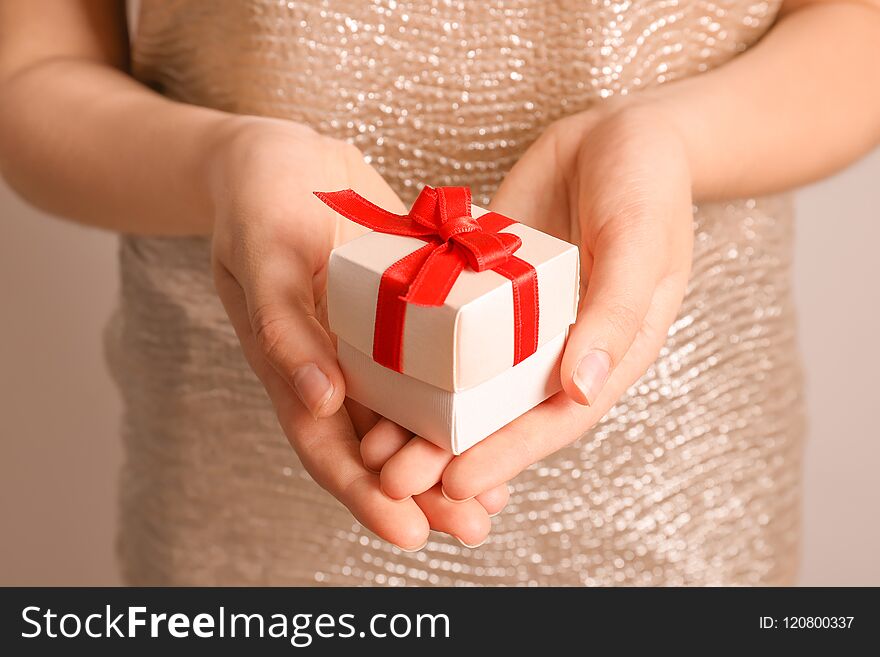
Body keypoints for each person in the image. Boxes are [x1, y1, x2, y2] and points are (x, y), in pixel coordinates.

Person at [1, 0, 878, 585]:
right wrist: (223, 161)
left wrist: (671, 140)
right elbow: (31, 72)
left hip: (682, 480)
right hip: (243, 488)